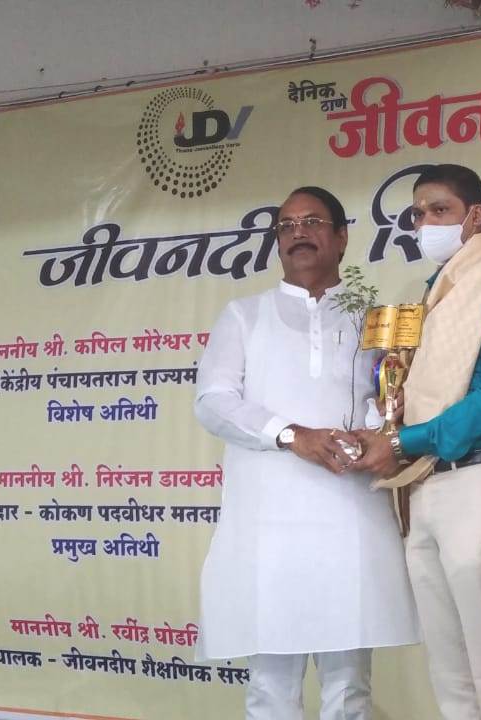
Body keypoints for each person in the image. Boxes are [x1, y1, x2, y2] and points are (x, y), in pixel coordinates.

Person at [194, 186, 419, 720]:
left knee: (350, 687)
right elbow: (213, 402)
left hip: (350, 517)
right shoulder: (244, 315)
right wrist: (292, 435)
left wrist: (378, 435)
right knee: (271, 687)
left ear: (341, 237)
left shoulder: (374, 320)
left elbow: (389, 404)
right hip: (267, 526)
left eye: (313, 222)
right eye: (287, 225)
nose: (299, 232)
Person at [354, 164, 481, 720]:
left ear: (474, 216)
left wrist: (402, 441)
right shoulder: (437, 290)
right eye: (418, 214)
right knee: (449, 666)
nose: (425, 223)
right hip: (424, 481)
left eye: (440, 210)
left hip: (478, 481)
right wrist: (388, 415)